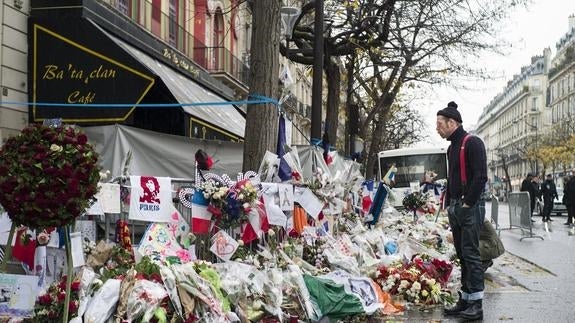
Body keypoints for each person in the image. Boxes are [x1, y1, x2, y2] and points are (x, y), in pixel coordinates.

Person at [436, 101, 487, 321]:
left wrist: (467, 203)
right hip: (456, 207)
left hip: (469, 207)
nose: (437, 128)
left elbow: (480, 176)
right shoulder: (451, 147)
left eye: (440, 124)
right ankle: (466, 299)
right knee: (462, 254)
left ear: (452, 123)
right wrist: (450, 203)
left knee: (472, 255)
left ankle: (476, 303)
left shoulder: (472, 142)